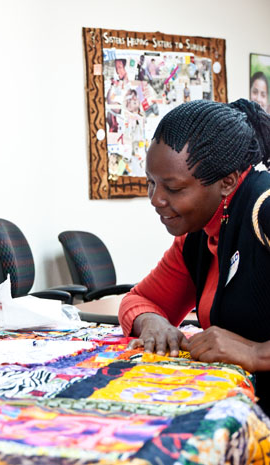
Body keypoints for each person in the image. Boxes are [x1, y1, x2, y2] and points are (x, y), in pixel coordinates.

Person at [118, 98, 270, 411]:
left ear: (227, 181)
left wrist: (256, 354)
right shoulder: (199, 235)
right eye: (151, 183)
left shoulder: (264, 210)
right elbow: (139, 300)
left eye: (173, 188)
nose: (156, 199)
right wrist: (152, 323)